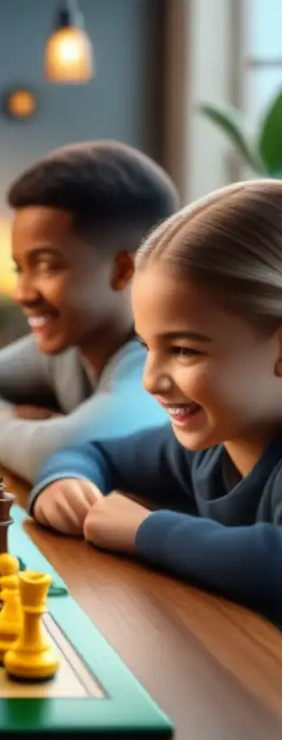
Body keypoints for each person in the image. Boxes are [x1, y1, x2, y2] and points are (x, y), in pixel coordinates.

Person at [29, 179, 282, 628]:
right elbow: (97, 452)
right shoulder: (202, 452)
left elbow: (273, 561)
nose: (150, 381)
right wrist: (64, 479)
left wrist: (147, 531)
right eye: (147, 347)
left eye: (184, 350)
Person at [0, 141, 179, 482]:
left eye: (47, 266)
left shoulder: (157, 366)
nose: (21, 293)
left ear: (122, 270)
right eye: (19, 269)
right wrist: (1, 420)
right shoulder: (68, 348)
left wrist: (23, 430)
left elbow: (56, 453)